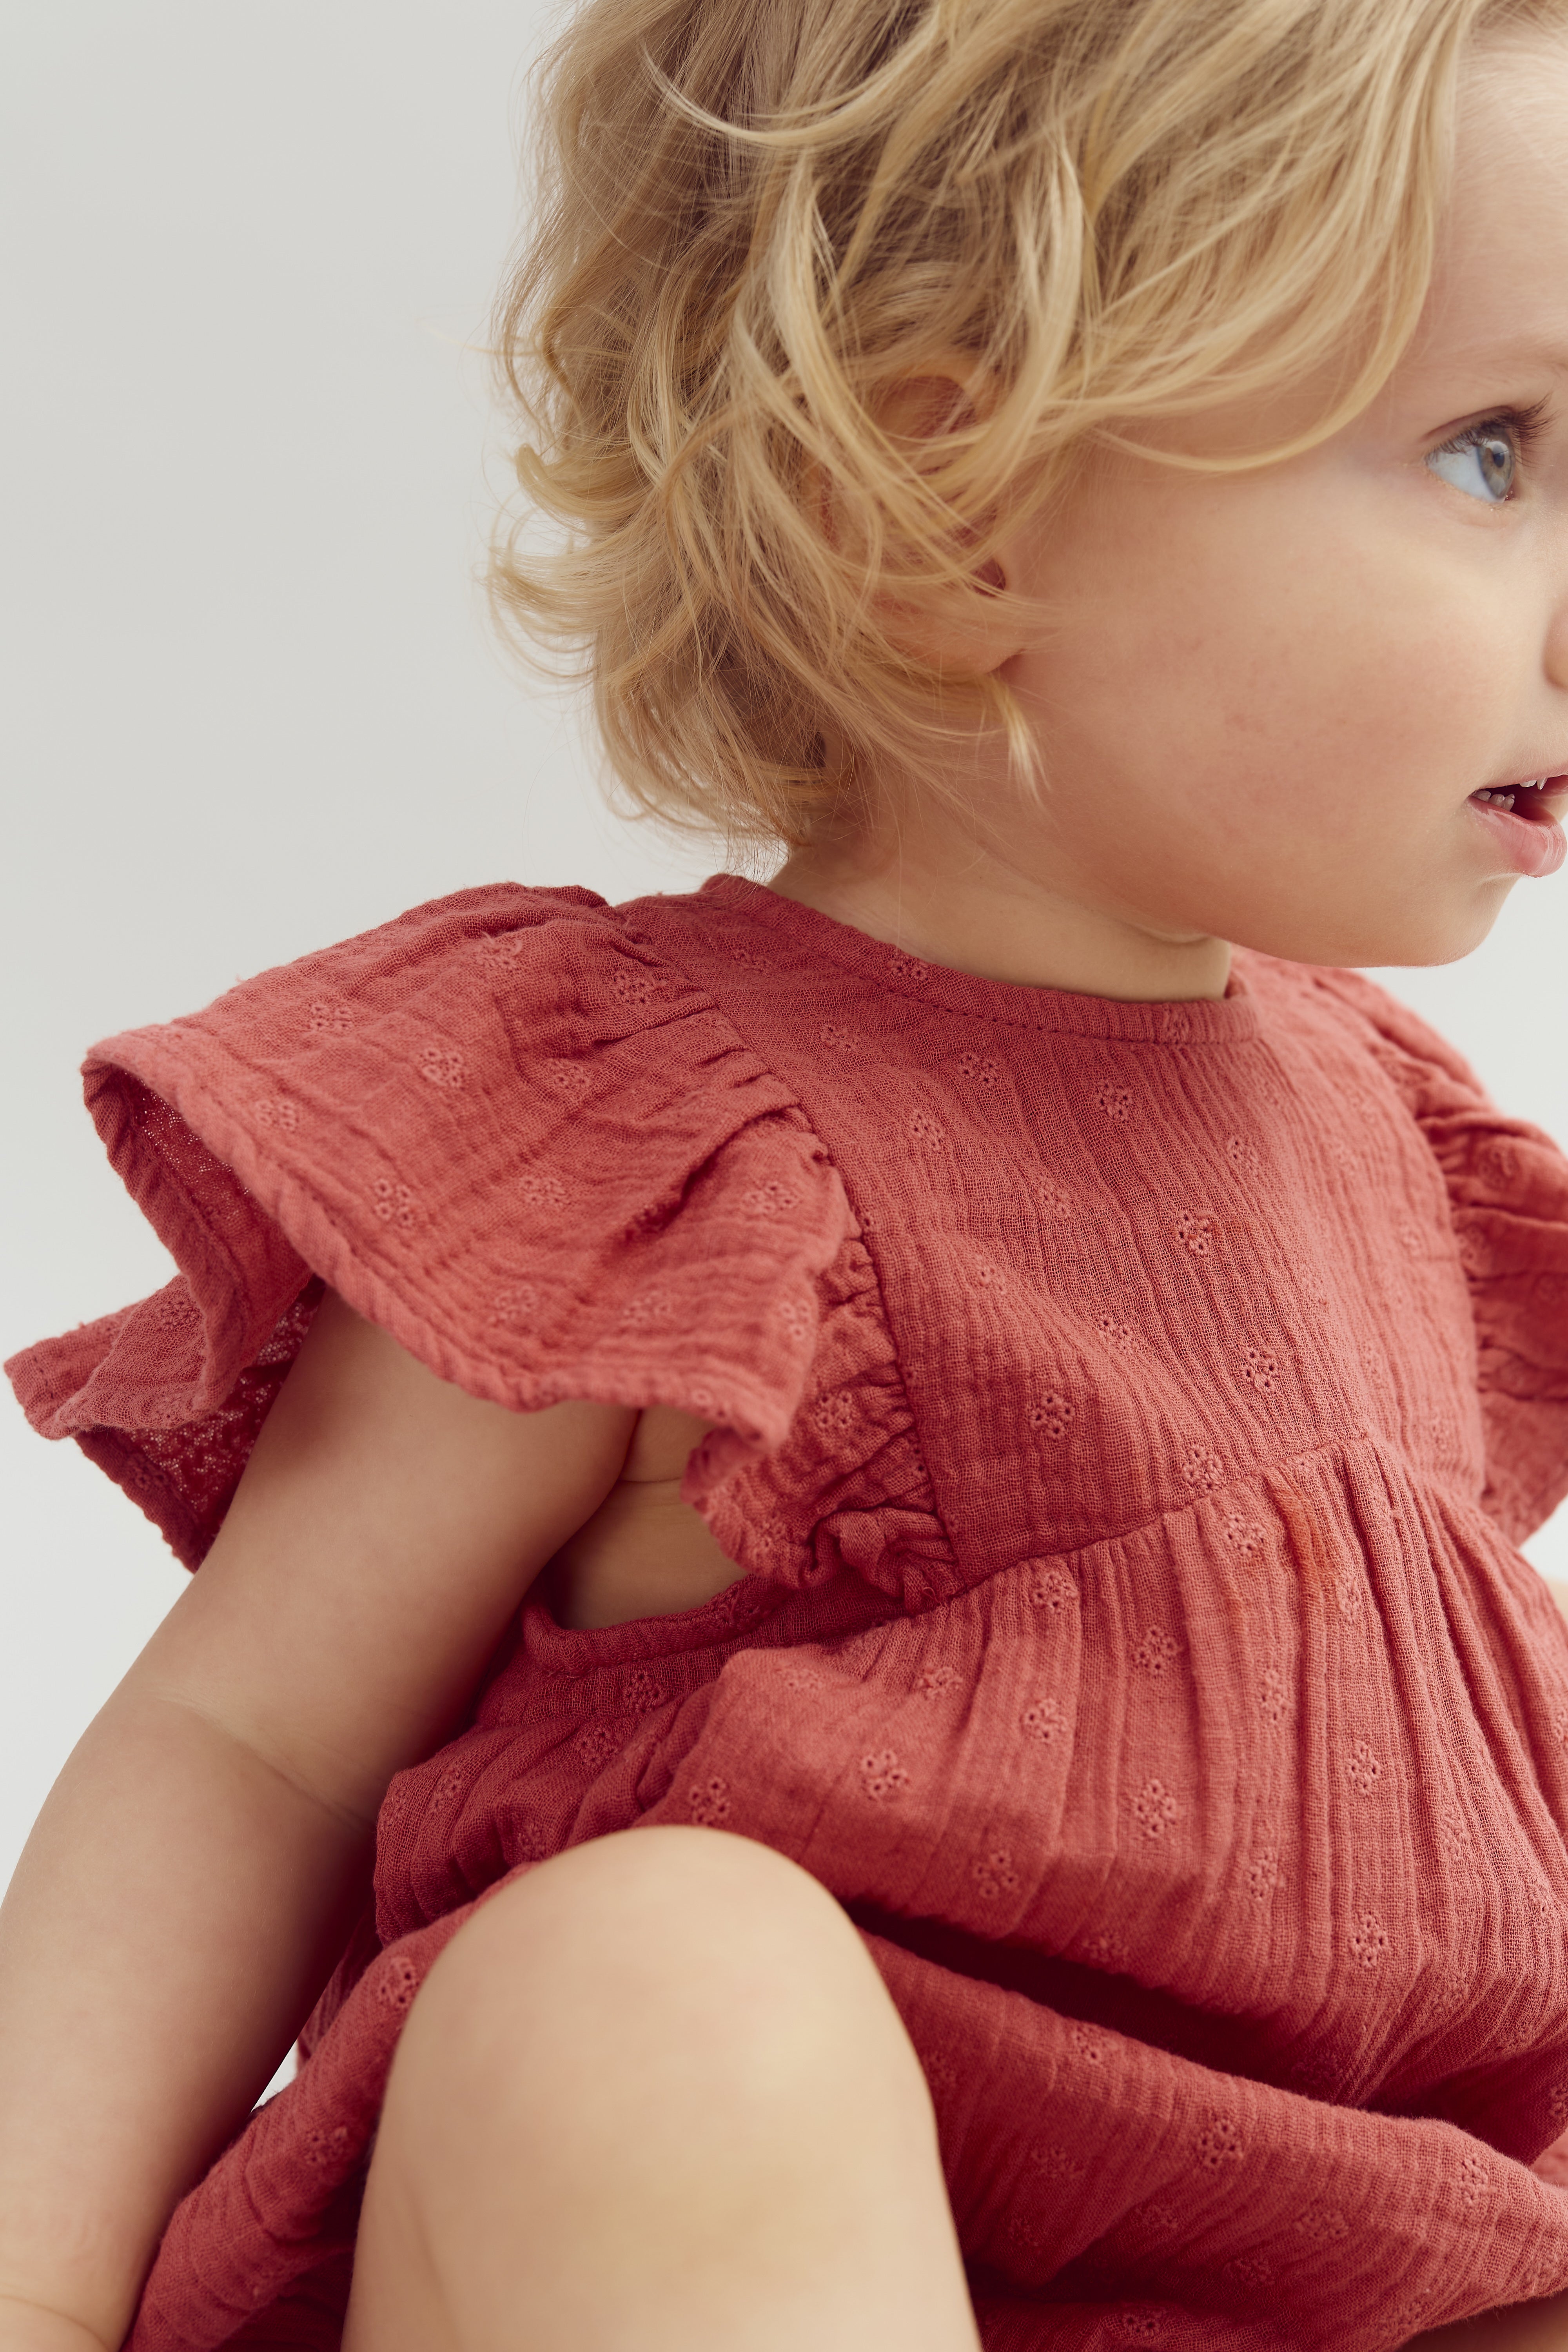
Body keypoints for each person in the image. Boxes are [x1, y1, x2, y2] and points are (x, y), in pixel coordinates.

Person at [6, 0, 1568, 2343]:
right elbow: (249, 1744)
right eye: (1490, 454)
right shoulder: (655, 1139)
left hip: (1333, 2276)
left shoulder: (1398, 1147)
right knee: (655, 1991)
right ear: (952, 509)